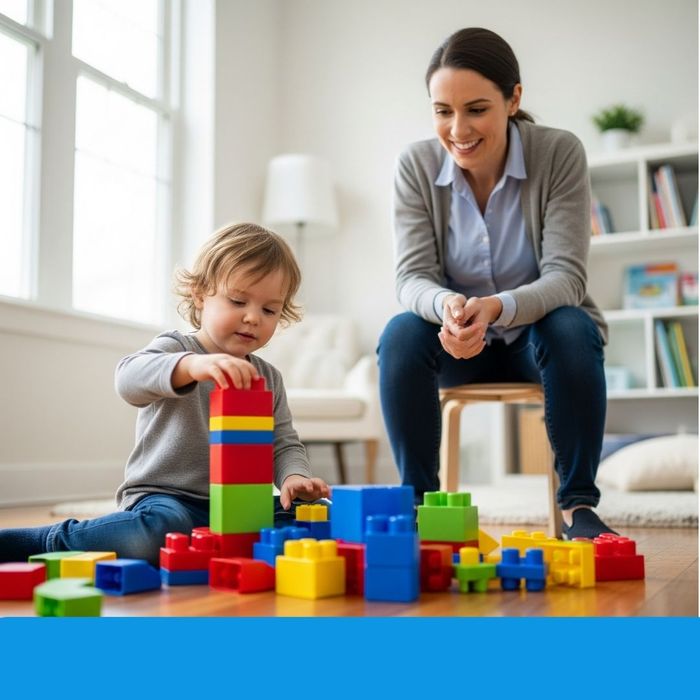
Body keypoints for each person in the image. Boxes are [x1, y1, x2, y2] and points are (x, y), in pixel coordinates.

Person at [377, 27, 616, 539]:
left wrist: (497, 307)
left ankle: (578, 508)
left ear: (514, 99)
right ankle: (420, 510)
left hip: (539, 341)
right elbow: (411, 278)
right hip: (458, 344)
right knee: (399, 334)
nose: (458, 128)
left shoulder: (558, 153)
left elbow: (567, 277)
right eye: (443, 110)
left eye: (477, 109)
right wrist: (450, 309)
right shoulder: (415, 166)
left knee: (570, 327)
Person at [0, 223, 330, 565]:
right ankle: (47, 540)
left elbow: (283, 442)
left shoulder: (268, 377)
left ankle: (227, 542)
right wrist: (190, 367)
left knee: (319, 516)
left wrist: (295, 477)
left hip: (241, 505)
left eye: (269, 310)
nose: (252, 318)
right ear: (200, 295)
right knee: (157, 532)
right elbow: (127, 378)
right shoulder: (176, 349)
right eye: (238, 300)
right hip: (167, 499)